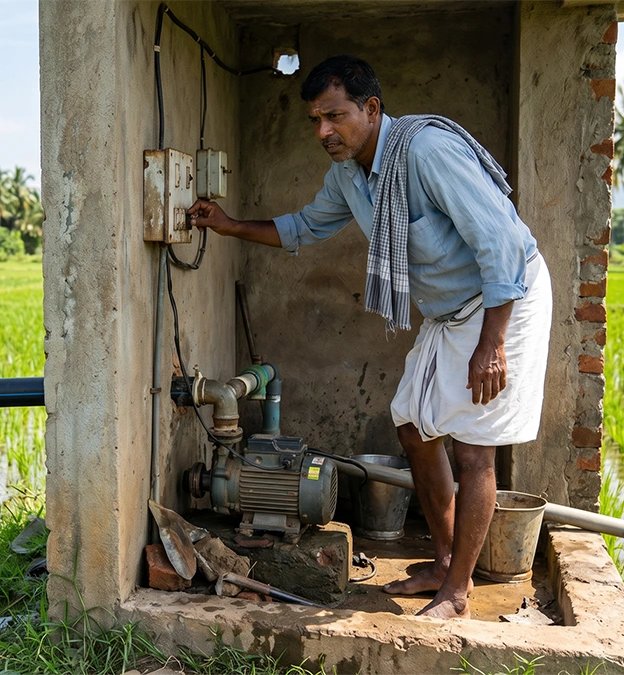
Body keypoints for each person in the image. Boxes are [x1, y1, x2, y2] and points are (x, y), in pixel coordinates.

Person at [185, 55, 552, 619]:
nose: (323, 131)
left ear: (371, 109)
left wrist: (493, 343)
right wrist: (230, 224)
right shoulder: (349, 176)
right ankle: (444, 560)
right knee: (412, 426)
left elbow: (500, 242)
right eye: (315, 120)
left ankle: (457, 593)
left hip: (505, 298)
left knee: (475, 449)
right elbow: (303, 227)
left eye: (334, 116)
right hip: (450, 312)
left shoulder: (426, 154)